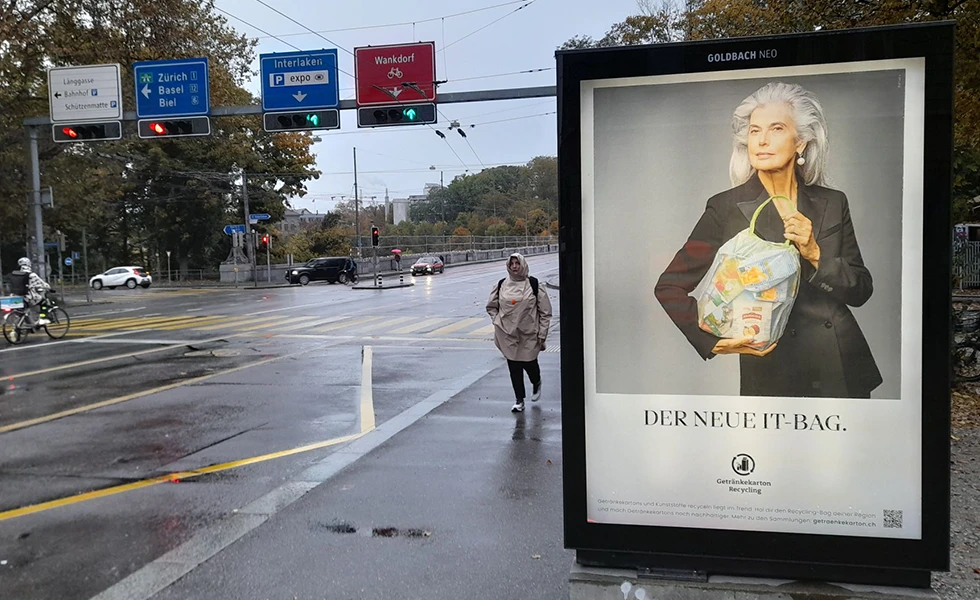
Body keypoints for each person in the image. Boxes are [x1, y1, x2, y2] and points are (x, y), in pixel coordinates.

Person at [654, 82, 881, 398]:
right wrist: (710, 339)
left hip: (840, 366)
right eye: (754, 131)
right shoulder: (725, 207)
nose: (761, 140)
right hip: (772, 372)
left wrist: (815, 254)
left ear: (800, 142)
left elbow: (860, 290)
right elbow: (669, 285)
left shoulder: (833, 202)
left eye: (776, 129)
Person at [486, 253, 553, 412]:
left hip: (529, 333)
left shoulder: (534, 285)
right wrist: (497, 321)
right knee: (514, 367)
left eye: (517, 263)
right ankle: (519, 400)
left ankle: (536, 382)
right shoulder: (502, 285)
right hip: (508, 334)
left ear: (523, 264)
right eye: (512, 264)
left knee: (530, 363)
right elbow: (491, 307)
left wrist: (542, 334)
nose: (515, 266)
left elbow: (545, 312)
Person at [9, 258, 52, 326]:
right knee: (43, 301)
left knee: (23, 311)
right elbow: (41, 284)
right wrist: (49, 288)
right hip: (27, 296)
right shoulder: (31, 275)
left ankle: (29, 324)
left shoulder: (15, 274)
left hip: (14, 296)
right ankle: (43, 318)